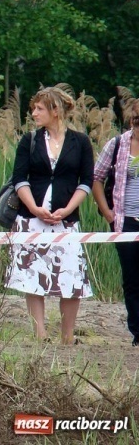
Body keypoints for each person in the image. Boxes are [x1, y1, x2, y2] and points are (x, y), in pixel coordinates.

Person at [4, 87, 94, 345]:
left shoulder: (81, 142)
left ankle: (67, 336)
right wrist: (33, 208)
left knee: (71, 276)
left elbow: (86, 181)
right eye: (33, 108)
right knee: (33, 276)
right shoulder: (29, 140)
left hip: (66, 219)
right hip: (32, 217)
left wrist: (67, 209)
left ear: (56, 111)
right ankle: (40, 334)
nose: (33, 113)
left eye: (39, 109)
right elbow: (19, 178)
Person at [93, 100, 139, 346]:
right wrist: (107, 212)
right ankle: (137, 332)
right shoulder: (117, 144)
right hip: (126, 221)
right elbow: (97, 177)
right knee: (131, 278)